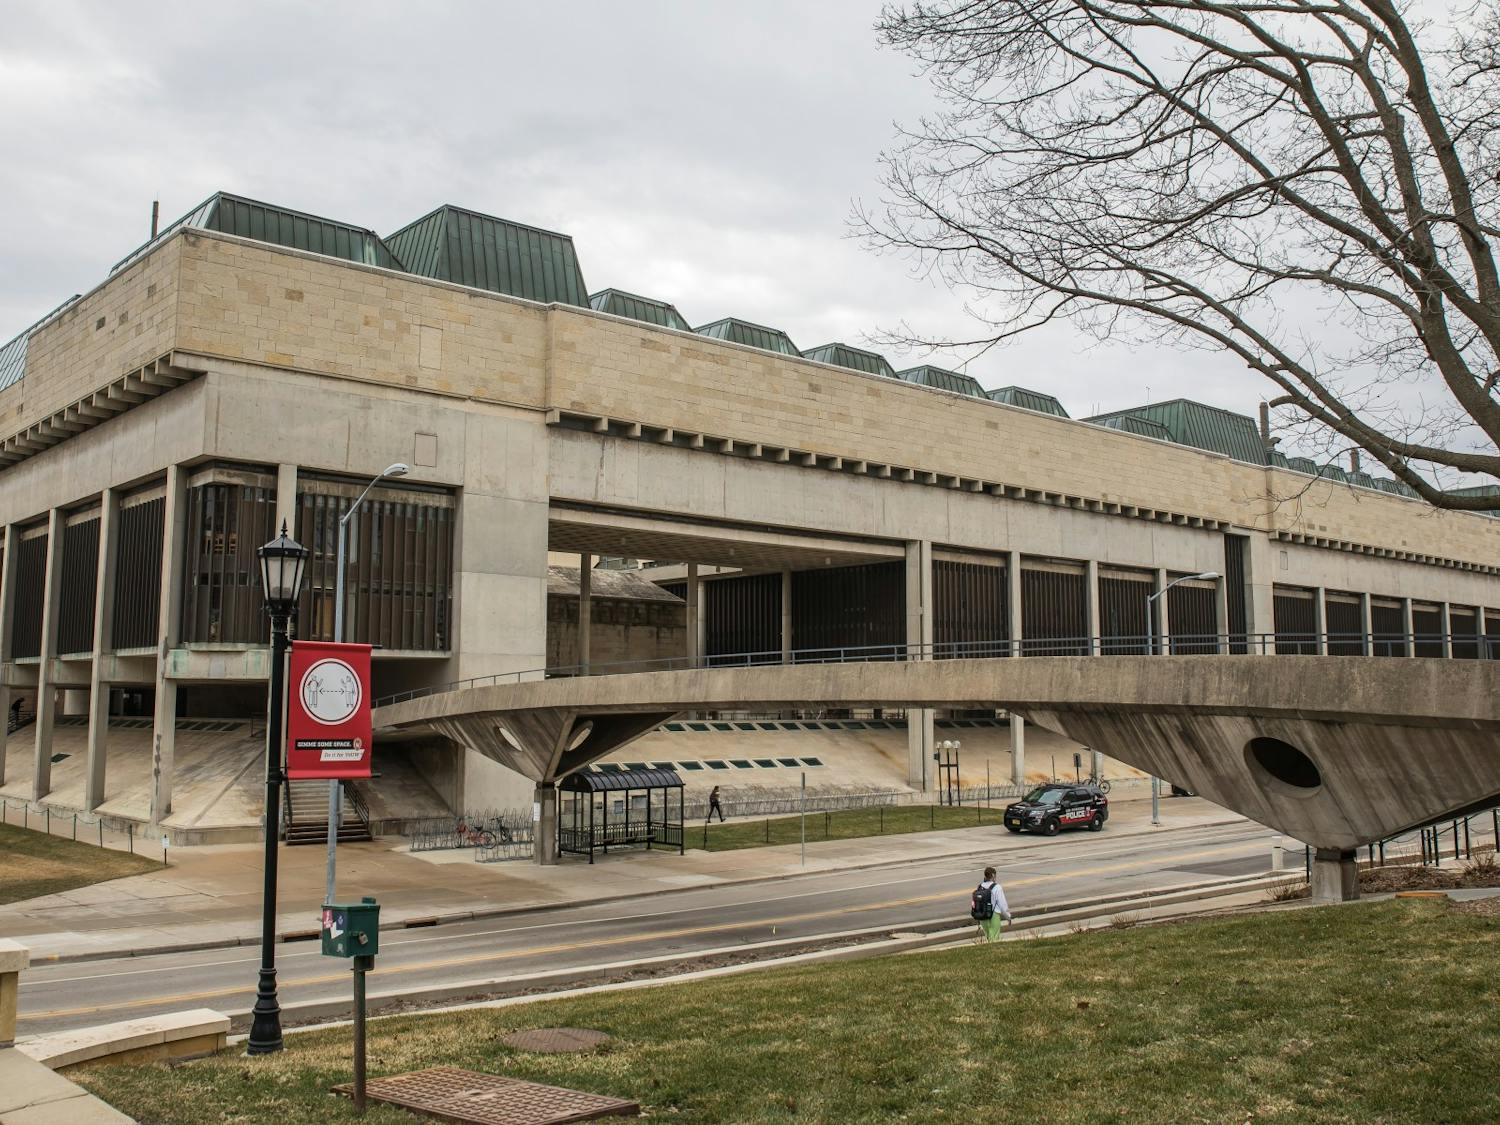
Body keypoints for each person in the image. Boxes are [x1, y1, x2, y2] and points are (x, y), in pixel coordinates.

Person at [970, 865, 1011, 943]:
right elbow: (1002, 905)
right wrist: (1008, 917)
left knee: (988, 937)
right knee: (994, 938)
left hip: (983, 915)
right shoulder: (997, 887)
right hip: (994, 915)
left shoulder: (980, 887)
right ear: (993, 875)